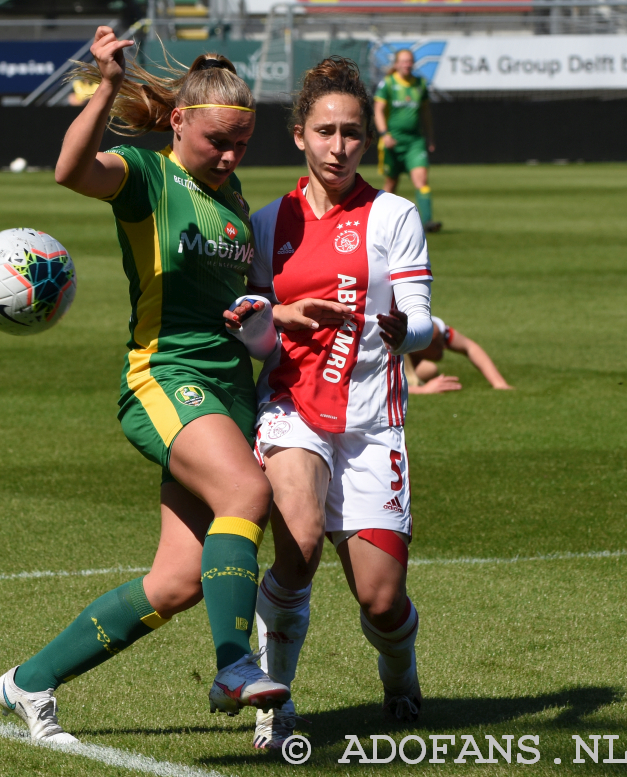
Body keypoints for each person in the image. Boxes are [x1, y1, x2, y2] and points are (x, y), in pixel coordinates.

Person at [0, 26, 290, 744]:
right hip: (165, 378)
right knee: (247, 494)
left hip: (229, 387)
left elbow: (251, 299)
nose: (229, 155)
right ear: (180, 121)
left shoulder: (235, 194)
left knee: (179, 581)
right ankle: (232, 666)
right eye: (218, 139)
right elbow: (70, 171)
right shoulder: (146, 176)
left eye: (241, 144)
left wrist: (260, 320)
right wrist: (104, 83)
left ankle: (28, 682)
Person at [225, 56, 434, 750]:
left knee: (380, 601)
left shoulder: (394, 214)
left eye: (350, 133)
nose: (339, 146)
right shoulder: (267, 220)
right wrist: (269, 317)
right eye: (325, 131)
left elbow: (425, 320)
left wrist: (411, 330)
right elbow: (257, 336)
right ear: (299, 136)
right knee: (301, 542)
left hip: (375, 423)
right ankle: (274, 703)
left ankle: (398, 669)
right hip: (291, 408)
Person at [374, 49, 441, 233]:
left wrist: (430, 136)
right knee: (391, 184)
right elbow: (378, 110)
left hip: (414, 142)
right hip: (393, 142)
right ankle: (379, 222)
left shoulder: (420, 84)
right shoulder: (388, 83)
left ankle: (427, 222)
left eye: (410, 61)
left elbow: (425, 113)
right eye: (403, 61)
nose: (407, 64)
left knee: (422, 180)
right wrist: (384, 134)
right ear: (396, 63)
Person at [407, 315, 513, 393]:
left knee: (430, 369)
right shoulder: (393, 347)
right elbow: (389, 389)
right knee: (417, 374)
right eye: (437, 345)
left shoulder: (434, 329)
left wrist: (499, 384)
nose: (444, 347)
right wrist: (423, 390)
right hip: (397, 364)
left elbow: (469, 347)